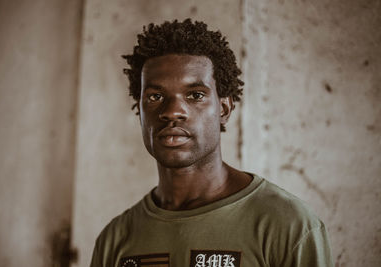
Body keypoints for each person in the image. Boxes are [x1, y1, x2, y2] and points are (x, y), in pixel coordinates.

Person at [90, 19, 333, 267]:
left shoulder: (288, 225)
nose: (173, 111)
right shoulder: (115, 239)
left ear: (224, 109)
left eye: (195, 95)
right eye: (155, 96)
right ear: (139, 111)